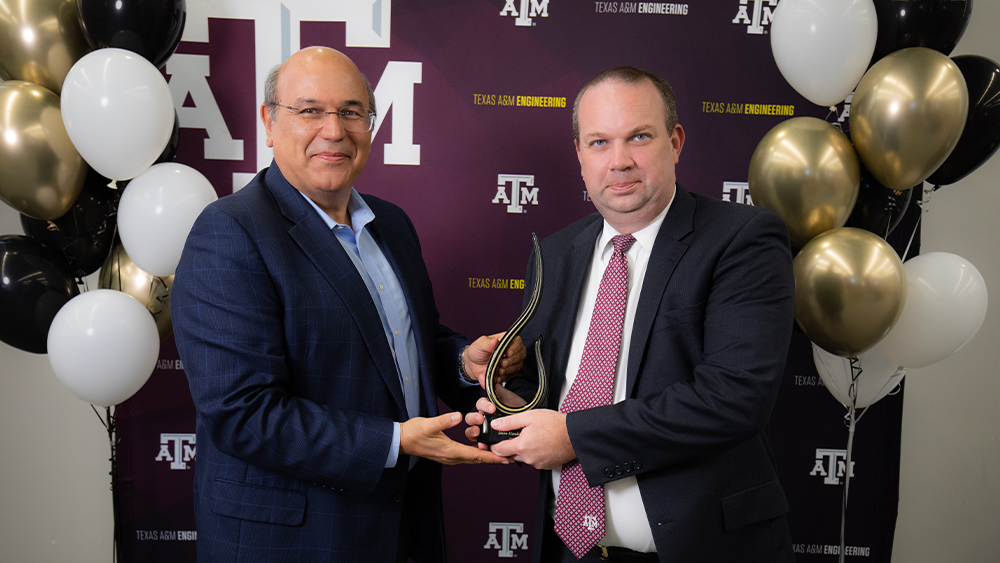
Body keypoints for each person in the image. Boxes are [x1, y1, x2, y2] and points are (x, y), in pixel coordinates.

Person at [172, 46, 523, 563]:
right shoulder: (229, 231)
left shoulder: (393, 225)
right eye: (310, 110)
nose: (334, 130)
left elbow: (402, 344)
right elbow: (242, 413)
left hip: (402, 527)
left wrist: (461, 362)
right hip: (291, 541)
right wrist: (393, 441)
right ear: (269, 123)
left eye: (352, 112)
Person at [466, 66, 797, 562]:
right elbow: (559, 398)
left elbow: (734, 398)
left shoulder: (741, 238)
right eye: (599, 142)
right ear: (579, 154)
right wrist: (510, 407)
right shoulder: (555, 255)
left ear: (676, 141)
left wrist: (573, 437)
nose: (619, 161)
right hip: (573, 550)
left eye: (639, 137)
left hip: (703, 547)